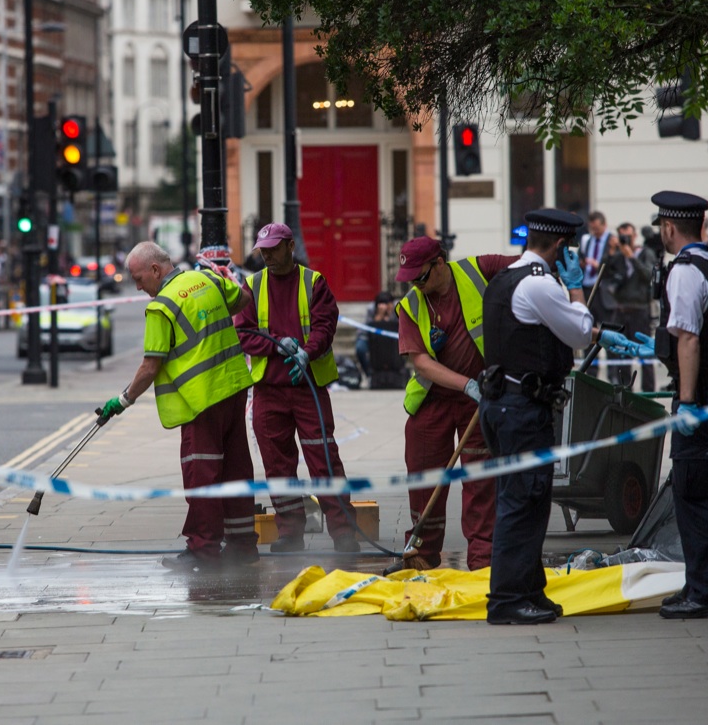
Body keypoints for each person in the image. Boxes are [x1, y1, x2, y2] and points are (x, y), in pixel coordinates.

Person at [99, 241, 260, 570]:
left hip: (202, 401)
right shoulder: (209, 280)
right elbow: (244, 300)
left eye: (139, 278)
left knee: (202, 474)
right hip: (233, 388)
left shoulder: (162, 307)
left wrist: (122, 400)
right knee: (236, 470)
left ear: (155, 270)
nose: (138, 286)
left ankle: (203, 549)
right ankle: (243, 545)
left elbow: (150, 367)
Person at [478, 209, 597, 625]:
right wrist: (578, 287)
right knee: (522, 502)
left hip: (502, 404)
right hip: (521, 409)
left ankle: (529, 590)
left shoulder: (503, 279)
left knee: (527, 499)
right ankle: (508, 599)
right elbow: (581, 333)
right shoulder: (540, 284)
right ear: (561, 247)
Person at [390, 236, 519, 573]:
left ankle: (483, 561)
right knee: (424, 479)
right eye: (411, 280)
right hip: (434, 401)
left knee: (480, 482)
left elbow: (526, 266)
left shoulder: (479, 270)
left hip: (477, 404)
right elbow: (420, 362)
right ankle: (421, 553)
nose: (416, 285)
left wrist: (553, 263)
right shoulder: (411, 305)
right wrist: (467, 385)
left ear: (440, 262)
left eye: (421, 276)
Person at [234, 223, 360, 554]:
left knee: (324, 460)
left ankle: (344, 532)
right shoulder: (252, 285)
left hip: (308, 388)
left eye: (274, 249)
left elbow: (325, 324)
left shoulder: (313, 282)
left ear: (290, 247)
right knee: (277, 465)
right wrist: (275, 346)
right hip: (268, 389)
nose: (268, 256)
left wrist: (307, 351)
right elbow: (243, 332)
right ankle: (290, 532)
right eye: (263, 251)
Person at [650, 191, 708, 619]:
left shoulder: (684, 273)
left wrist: (686, 402)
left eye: (661, 228)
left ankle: (706, 594)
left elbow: (688, 337)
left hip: (703, 396)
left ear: (670, 228)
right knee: (698, 488)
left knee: (694, 492)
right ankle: (700, 584)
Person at [610, 222, 660, 391]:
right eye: (622, 237)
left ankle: (648, 395)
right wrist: (612, 251)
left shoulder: (645, 253)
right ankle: (625, 394)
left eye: (628, 236)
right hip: (621, 310)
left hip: (640, 310)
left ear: (635, 236)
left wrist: (632, 257)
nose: (626, 240)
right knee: (622, 356)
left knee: (645, 356)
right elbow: (605, 275)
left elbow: (648, 276)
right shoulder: (617, 256)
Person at [578, 211, 613, 377]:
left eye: (597, 229)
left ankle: (614, 372)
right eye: (592, 229)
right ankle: (590, 371)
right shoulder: (587, 240)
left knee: (608, 331)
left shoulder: (612, 241)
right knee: (589, 330)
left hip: (603, 290)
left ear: (604, 225)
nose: (595, 232)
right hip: (588, 288)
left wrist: (598, 264)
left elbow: (614, 264)